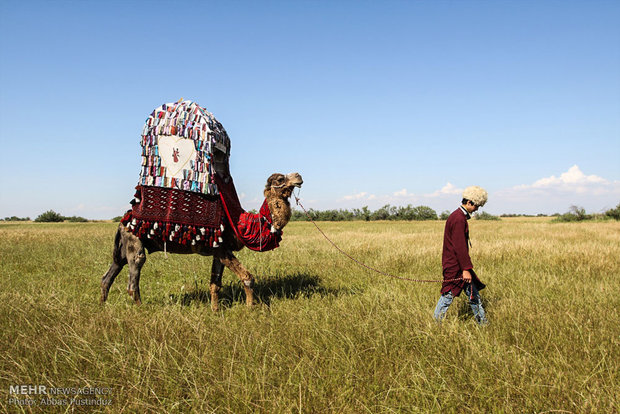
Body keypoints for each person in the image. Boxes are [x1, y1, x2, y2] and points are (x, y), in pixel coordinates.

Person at [434, 186, 489, 325]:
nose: (477, 209)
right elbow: (460, 247)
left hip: (458, 264)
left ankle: (483, 323)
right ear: (469, 202)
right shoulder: (459, 219)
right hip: (456, 266)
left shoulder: (457, 216)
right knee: (448, 295)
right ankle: (435, 323)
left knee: (473, 295)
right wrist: (465, 269)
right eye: (476, 205)